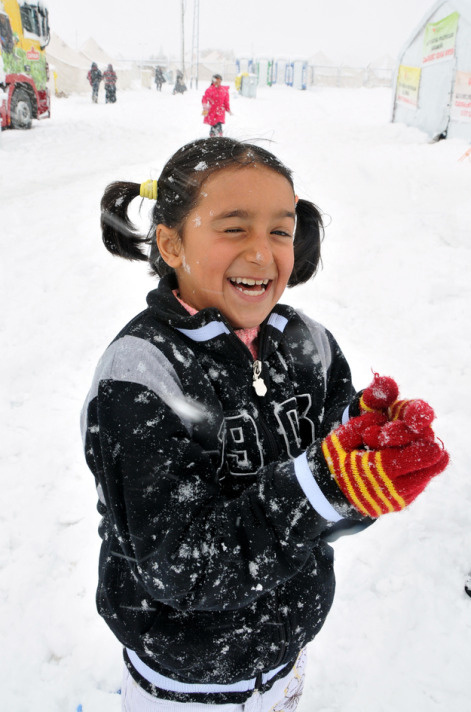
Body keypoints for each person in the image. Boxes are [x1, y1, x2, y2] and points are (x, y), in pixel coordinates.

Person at [82, 137, 449, 712]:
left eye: (280, 230)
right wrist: (322, 486)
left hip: (287, 649)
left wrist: (361, 441)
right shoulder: (141, 375)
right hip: (185, 682)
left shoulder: (310, 345)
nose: (263, 253)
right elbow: (180, 564)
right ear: (171, 243)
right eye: (234, 228)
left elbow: (324, 474)